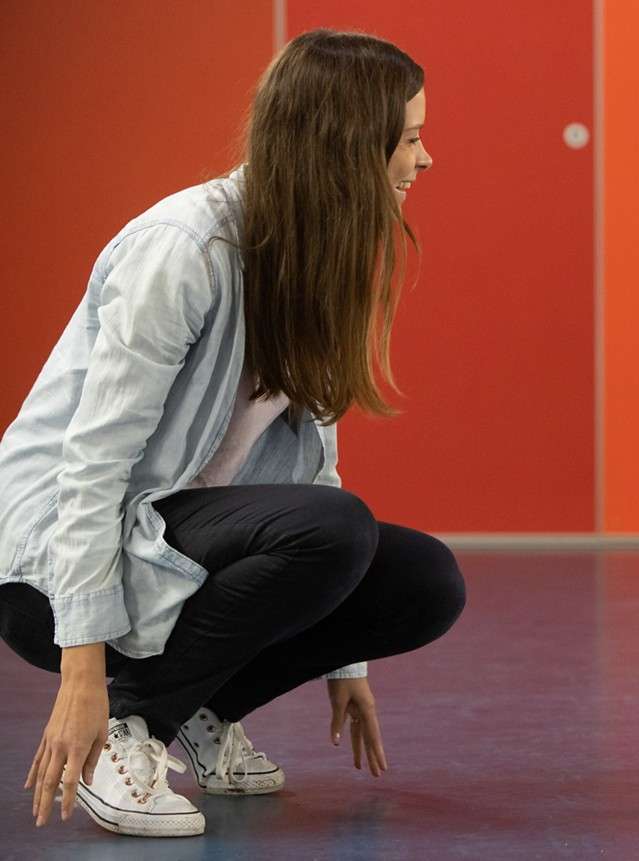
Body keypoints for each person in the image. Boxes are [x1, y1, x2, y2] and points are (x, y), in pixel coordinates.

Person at [0, 29, 465, 837]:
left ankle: (193, 707)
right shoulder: (185, 249)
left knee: (422, 581)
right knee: (335, 530)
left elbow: (312, 464)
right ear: (349, 145)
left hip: (176, 548)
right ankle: (131, 726)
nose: (424, 160)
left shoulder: (317, 256)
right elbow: (93, 463)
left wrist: (343, 655)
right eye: (412, 138)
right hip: (53, 574)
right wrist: (84, 674)